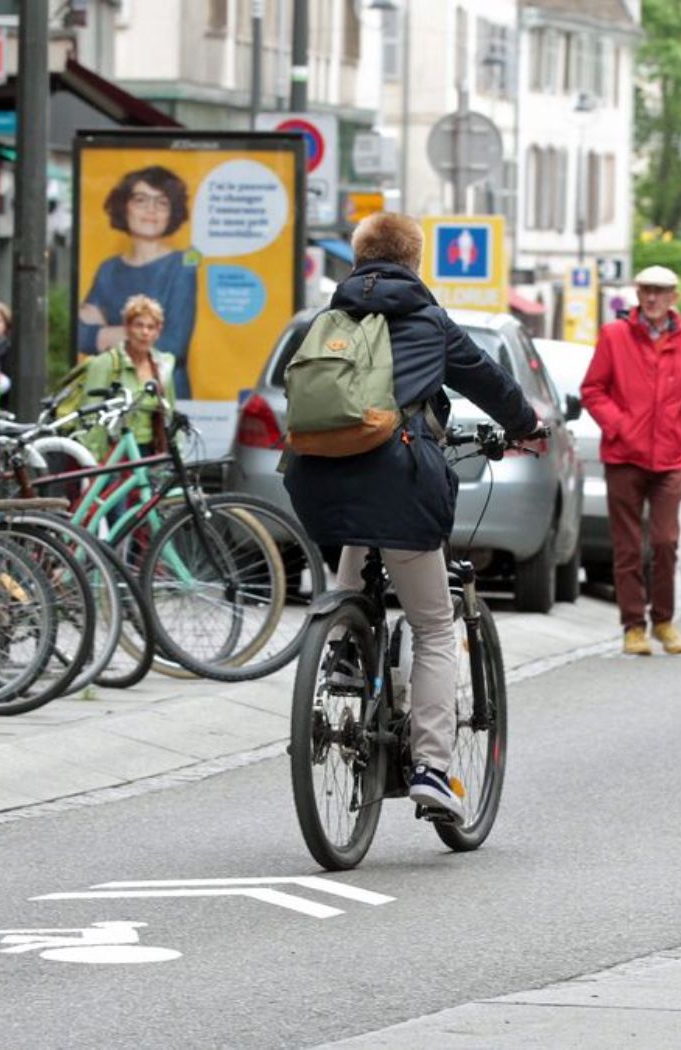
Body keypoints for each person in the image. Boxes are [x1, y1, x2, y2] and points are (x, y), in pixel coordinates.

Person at [283, 212, 539, 826]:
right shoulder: (428, 319)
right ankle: (430, 767)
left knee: (351, 571)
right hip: (397, 481)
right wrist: (526, 424)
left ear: (359, 257)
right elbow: (489, 380)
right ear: (415, 260)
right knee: (430, 625)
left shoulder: (328, 318)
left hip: (315, 481)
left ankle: (342, 648)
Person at [580, 264, 681, 657]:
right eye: (646, 290)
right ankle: (633, 626)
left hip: (670, 459)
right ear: (637, 294)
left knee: (665, 541)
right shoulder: (614, 336)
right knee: (628, 546)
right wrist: (618, 425)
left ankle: (664, 621)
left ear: (674, 298)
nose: (652, 298)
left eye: (660, 291)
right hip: (624, 456)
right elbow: (593, 389)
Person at [77, 166, 198, 397]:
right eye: (140, 200)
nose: (150, 210)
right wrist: (142, 337)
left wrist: (105, 333)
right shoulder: (109, 269)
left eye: (161, 202)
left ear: (172, 211)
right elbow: (81, 336)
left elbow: (172, 345)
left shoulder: (182, 266)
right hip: (115, 392)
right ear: (124, 206)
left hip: (163, 394)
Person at [75, 293, 177, 460]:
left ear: (158, 332)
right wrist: (93, 462)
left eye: (151, 327)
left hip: (150, 454)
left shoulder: (162, 365)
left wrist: (175, 456)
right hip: (112, 454)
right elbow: (90, 417)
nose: (145, 332)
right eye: (139, 325)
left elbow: (170, 414)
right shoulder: (106, 363)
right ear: (127, 328)